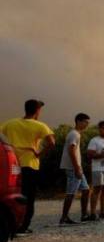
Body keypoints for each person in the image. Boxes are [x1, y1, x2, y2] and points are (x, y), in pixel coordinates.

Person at [0, 99, 56, 234]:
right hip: (29, 165)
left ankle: (11, 223)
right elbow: (52, 143)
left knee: (13, 194)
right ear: (37, 111)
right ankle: (23, 226)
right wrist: (39, 153)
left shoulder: (10, 123)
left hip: (12, 165)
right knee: (28, 197)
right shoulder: (40, 126)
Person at [59, 113, 91, 224]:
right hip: (73, 168)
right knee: (71, 192)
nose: (87, 124)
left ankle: (84, 215)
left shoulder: (76, 134)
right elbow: (71, 150)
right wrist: (77, 168)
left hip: (77, 167)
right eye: (86, 122)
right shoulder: (74, 134)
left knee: (86, 190)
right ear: (78, 121)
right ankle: (64, 218)